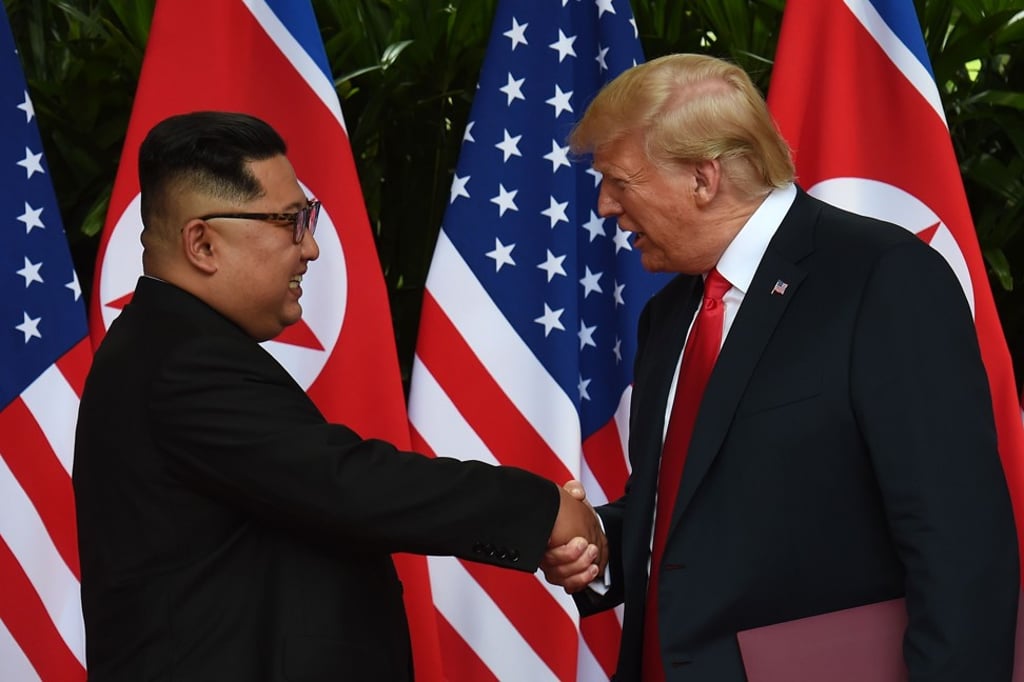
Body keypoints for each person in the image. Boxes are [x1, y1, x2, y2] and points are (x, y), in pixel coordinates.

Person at [73, 110, 605, 681]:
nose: (311, 250)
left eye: (309, 219)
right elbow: (349, 482)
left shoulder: (169, 345)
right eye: (290, 222)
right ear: (202, 243)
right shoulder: (180, 361)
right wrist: (543, 510)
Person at [540, 53, 1019, 681]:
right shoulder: (669, 313)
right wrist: (599, 544)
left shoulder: (881, 279)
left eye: (620, 181)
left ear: (704, 178)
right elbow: (693, 507)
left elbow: (959, 545)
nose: (604, 206)